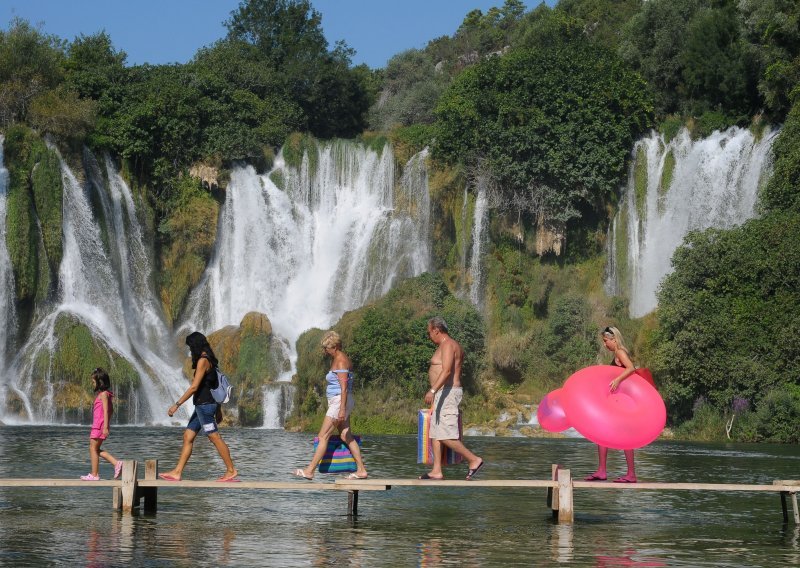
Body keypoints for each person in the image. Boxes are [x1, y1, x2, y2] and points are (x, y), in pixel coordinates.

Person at [159, 331, 239, 482]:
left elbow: (194, 387)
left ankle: (231, 470)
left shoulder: (203, 361)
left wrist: (177, 405)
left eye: (190, 347)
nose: (190, 350)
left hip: (204, 406)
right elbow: (214, 386)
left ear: (195, 345)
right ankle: (177, 472)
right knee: (188, 436)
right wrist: (218, 408)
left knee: (214, 437)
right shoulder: (210, 360)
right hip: (203, 407)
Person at [294, 331, 367, 480]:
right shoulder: (339, 359)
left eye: (326, 348)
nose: (325, 351)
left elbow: (344, 387)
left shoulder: (340, 361)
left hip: (340, 401)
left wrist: (341, 409)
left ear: (334, 346)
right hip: (341, 401)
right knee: (346, 435)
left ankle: (309, 470)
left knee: (323, 436)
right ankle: (361, 470)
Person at [419, 317, 484, 480]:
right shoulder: (445, 345)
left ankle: (474, 460)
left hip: (447, 392)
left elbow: (447, 370)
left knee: (446, 434)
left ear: (436, 330)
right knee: (435, 432)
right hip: (442, 394)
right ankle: (436, 470)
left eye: (429, 333)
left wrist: (432, 390)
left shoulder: (448, 344)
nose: (429, 336)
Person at [584, 326, 638, 483]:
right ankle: (602, 470)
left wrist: (617, 379)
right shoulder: (617, 353)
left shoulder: (620, 352)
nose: (605, 344)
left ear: (613, 339)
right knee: (602, 433)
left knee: (626, 437)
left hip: (622, 403)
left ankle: (631, 474)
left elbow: (631, 368)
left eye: (606, 341)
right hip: (617, 402)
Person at [80, 368, 124, 481]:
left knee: (92, 448)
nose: (92, 383)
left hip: (99, 426)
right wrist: (107, 424)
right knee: (95, 449)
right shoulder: (106, 394)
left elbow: (106, 410)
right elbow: (111, 410)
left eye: (93, 382)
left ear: (100, 382)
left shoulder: (103, 394)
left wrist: (105, 426)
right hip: (100, 425)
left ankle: (95, 474)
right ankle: (116, 463)